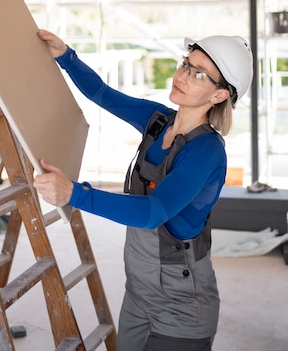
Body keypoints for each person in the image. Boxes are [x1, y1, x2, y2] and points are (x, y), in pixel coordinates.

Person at [34, 29, 253, 351]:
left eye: (200, 75)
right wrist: (66, 56)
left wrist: (75, 194)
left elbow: (153, 213)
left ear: (219, 95)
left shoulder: (206, 151)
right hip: (138, 289)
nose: (183, 76)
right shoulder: (158, 120)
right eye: (186, 65)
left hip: (182, 302)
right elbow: (101, 93)